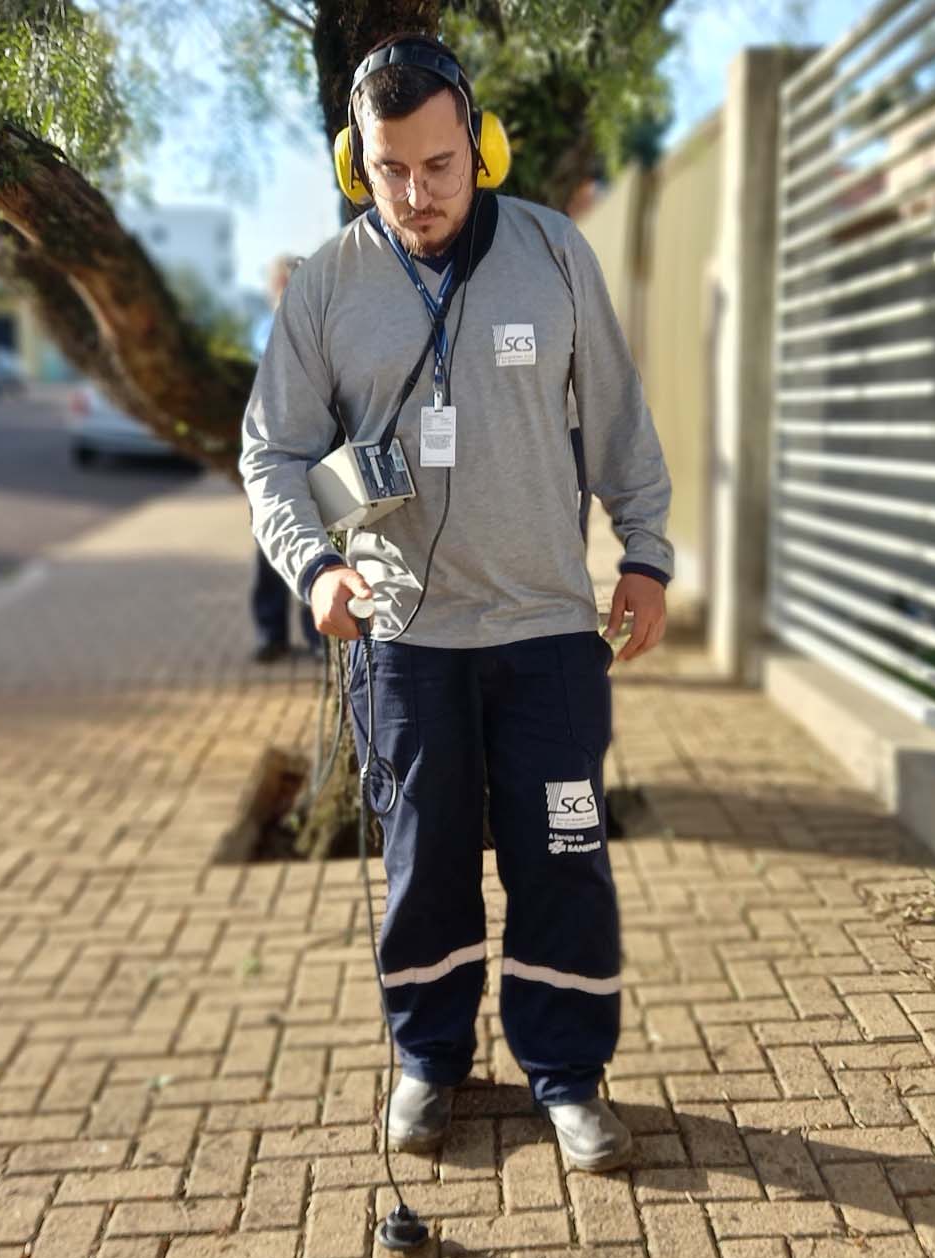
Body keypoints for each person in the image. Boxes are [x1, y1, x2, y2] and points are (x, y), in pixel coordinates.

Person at [240, 33, 671, 1172]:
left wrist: (646, 552)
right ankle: (428, 1059)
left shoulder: (550, 251)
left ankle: (567, 1073)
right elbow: (270, 454)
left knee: (561, 858)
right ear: (354, 163)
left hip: (543, 633)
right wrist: (315, 567)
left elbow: (619, 418)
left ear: (479, 147)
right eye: (389, 169)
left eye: (438, 164)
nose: (416, 194)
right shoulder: (329, 286)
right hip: (404, 641)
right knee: (423, 866)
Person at [247, 255, 324, 663]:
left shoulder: (320, 325)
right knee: (271, 550)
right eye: (284, 287)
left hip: (319, 457)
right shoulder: (267, 332)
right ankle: (270, 633)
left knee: (318, 548)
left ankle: (316, 638)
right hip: (279, 457)